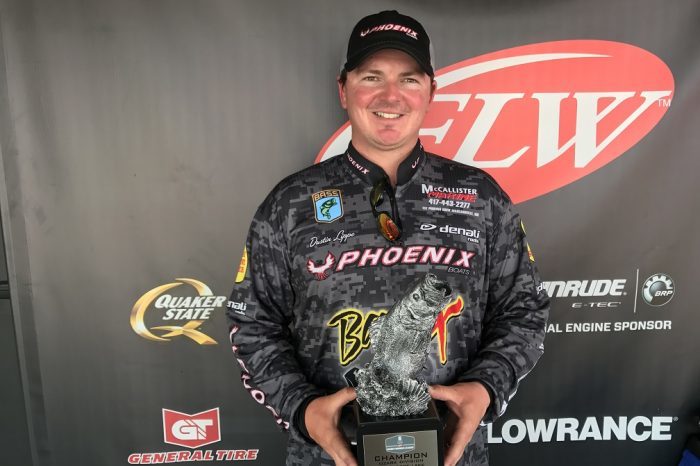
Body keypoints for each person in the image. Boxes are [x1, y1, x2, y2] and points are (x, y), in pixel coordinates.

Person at [227, 10, 549, 466]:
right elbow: (252, 323)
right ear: (344, 90)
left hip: (451, 456)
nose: (390, 96)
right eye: (371, 77)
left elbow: (524, 311)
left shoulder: (481, 197)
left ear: (431, 92)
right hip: (328, 457)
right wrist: (301, 409)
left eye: (409, 79)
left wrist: (485, 388)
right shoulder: (291, 202)